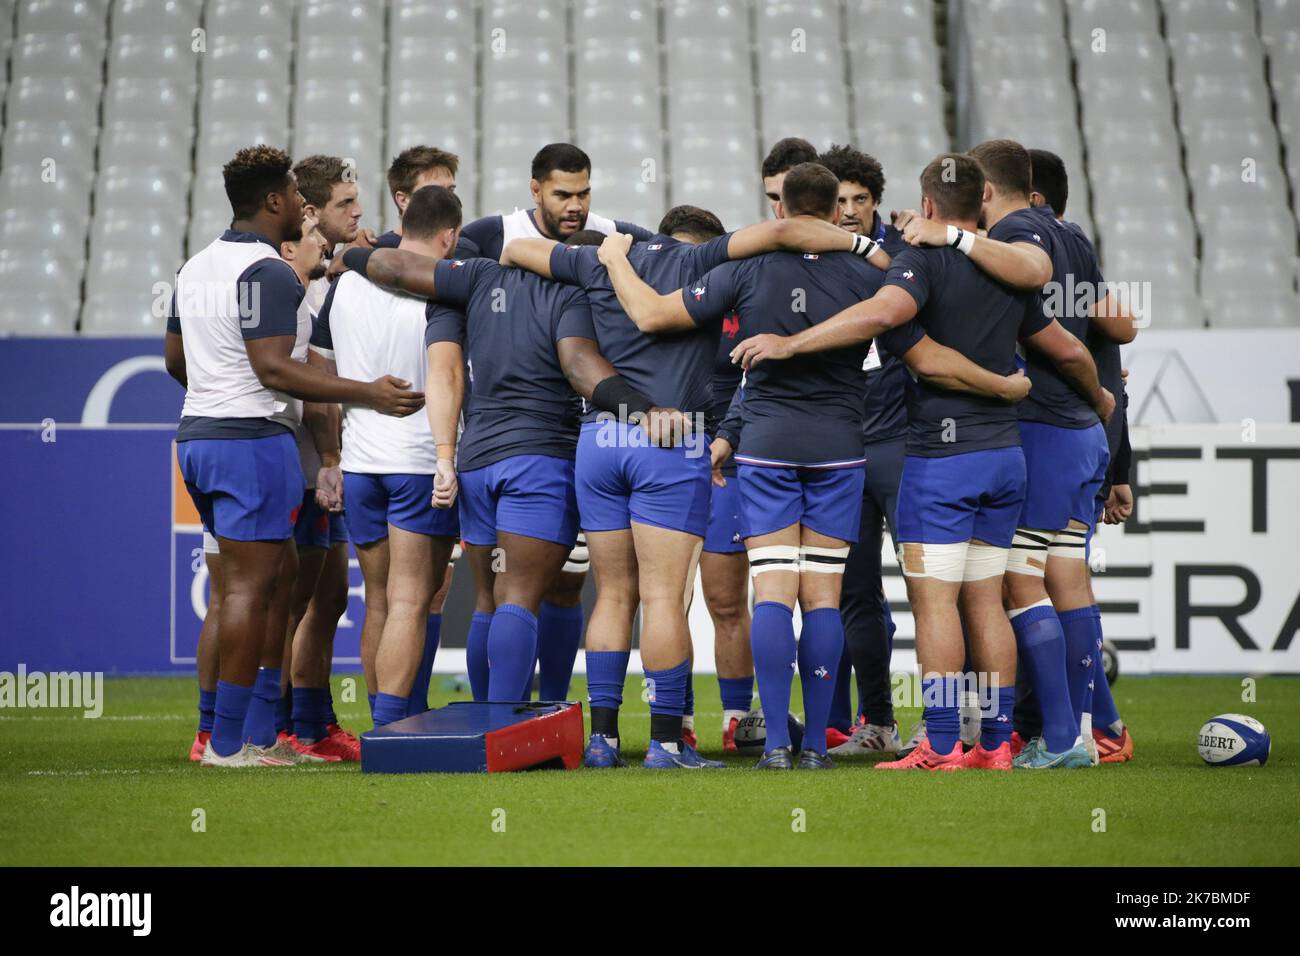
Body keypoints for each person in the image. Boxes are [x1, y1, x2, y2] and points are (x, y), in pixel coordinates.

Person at [606, 163, 1034, 769]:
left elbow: (652, 314)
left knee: (774, 592)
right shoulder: (870, 270)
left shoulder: (744, 268)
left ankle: (777, 742)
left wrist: (615, 260)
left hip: (767, 444)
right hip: (841, 446)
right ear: (838, 212)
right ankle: (818, 747)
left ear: (780, 212)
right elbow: (922, 333)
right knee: (826, 600)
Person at [731, 153, 1108, 772]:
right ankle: (995, 742)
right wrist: (1096, 401)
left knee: (935, 605)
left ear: (926, 206)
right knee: (987, 600)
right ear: (982, 198)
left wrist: (790, 342)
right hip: (1005, 457)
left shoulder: (919, 261)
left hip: (941, 458)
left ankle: (938, 741)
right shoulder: (1008, 266)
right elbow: (1065, 344)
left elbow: (898, 332)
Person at [500, 200, 881, 768]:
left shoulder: (601, 260)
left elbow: (511, 247)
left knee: (611, 595)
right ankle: (666, 743)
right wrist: (862, 245)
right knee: (662, 598)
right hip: (673, 435)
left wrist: (608, 254)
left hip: (600, 437)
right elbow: (775, 233)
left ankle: (601, 741)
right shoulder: (705, 263)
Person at [166, 146, 424, 766]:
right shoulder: (270, 273)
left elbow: (176, 361)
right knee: (255, 592)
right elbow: (275, 367)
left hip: (200, 437)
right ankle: (228, 744)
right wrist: (367, 392)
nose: (302, 206)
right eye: (294, 195)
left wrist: (216, 393)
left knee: (269, 585)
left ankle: (248, 734)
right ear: (274, 202)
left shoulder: (195, 266)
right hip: (251, 442)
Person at [308, 185, 462, 729]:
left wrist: (335, 449)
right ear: (449, 236)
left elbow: (319, 375)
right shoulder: (442, 287)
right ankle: (395, 727)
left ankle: (382, 721)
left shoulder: (344, 284)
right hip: (419, 461)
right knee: (410, 600)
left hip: (361, 461)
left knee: (378, 600)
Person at [819, 144, 910, 755]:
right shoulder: (809, 263)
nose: (849, 211)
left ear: (876, 202)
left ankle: (970, 721)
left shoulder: (909, 257)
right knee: (855, 594)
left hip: (906, 447)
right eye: (839, 201)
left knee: (940, 588)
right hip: (843, 450)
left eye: (860, 200)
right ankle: (878, 722)